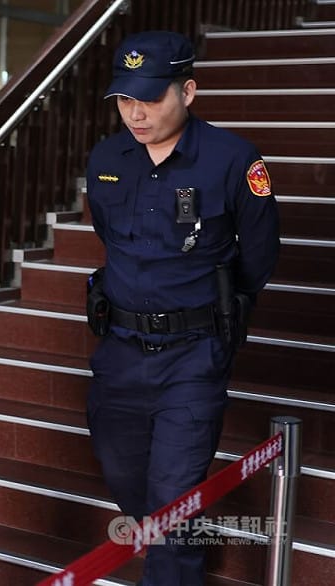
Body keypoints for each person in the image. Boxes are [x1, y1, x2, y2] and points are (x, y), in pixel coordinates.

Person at [84, 31, 280, 585]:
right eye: (125, 100)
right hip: (120, 352)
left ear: (187, 92)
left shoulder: (233, 159)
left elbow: (259, 254)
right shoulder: (107, 158)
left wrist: (216, 309)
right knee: (127, 480)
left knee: (173, 499)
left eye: (150, 99)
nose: (136, 114)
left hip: (193, 354)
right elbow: (107, 236)